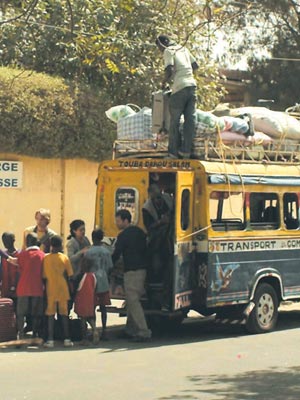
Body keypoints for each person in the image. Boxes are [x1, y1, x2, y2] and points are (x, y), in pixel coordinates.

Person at [155, 34, 199, 159]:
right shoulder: (183, 49)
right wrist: (187, 75)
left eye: (159, 47)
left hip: (179, 88)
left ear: (163, 43)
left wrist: (164, 82)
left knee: (174, 122)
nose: (161, 50)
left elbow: (169, 69)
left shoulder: (168, 50)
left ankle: (173, 153)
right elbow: (195, 66)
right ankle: (186, 151)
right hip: (192, 87)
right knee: (190, 119)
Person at [112, 209, 151, 342]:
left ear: (125, 220)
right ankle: (130, 329)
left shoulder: (123, 236)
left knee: (133, 301)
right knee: (131, 300)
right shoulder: (140, 232)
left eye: (118, 221)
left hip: (132, 271)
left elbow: (117, 253)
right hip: (143, 270)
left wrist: (109, 265)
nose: (116, 223)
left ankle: (143, 331)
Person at [142, 184, 174, 310]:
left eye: (159, 196)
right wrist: (161, 222)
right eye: (156, 198)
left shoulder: (168, 199)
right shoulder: (147, 209)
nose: (159, 200)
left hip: (169, 239)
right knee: (156, 267)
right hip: (156, 242)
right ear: (151, 196)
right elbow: (149, 227)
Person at [9, 233, 45, 339]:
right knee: (36, 313)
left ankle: (20, 333)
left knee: (21, 313)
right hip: (37, 288)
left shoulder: (22, 255)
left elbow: (17, 267)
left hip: (23, 287)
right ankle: (35, 333)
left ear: (27, 242)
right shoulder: (42, 255)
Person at [43, 235, 74, 348]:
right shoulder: (64, 258)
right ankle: (67, 338)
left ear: (51, 245)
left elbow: (44, 276)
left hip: (50, 289)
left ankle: (50, 340)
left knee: (50, 315)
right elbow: (70, 275)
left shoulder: (46, 259)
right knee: (64, 315)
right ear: (61, 245)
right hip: (63, 289)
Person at [83, 228, 113, 340]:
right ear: (102, 238)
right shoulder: (106, 252)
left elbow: (85, 267)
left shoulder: (88, 252)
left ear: (92, 238)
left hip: (92, 280)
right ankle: (104, 330)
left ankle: (94, 328)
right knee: (103, 307)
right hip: (103, 280)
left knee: (92, 306)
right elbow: (110, 266)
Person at [74, 258, 99, 346]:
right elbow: (95, 287)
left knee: (82, 319)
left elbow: (75, 287)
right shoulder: (93, 276)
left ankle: (84, 338)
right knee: (90, 317)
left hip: (81, 299)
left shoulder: (80, 276)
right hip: (91, 300)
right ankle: (95, 329)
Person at [0, 232, 19, 307]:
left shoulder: (20, 254)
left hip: (17, 289)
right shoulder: (3, 255)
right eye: (3, 241)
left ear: (13, 240)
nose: (5, 243)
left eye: (7, 240)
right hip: (5, 288)